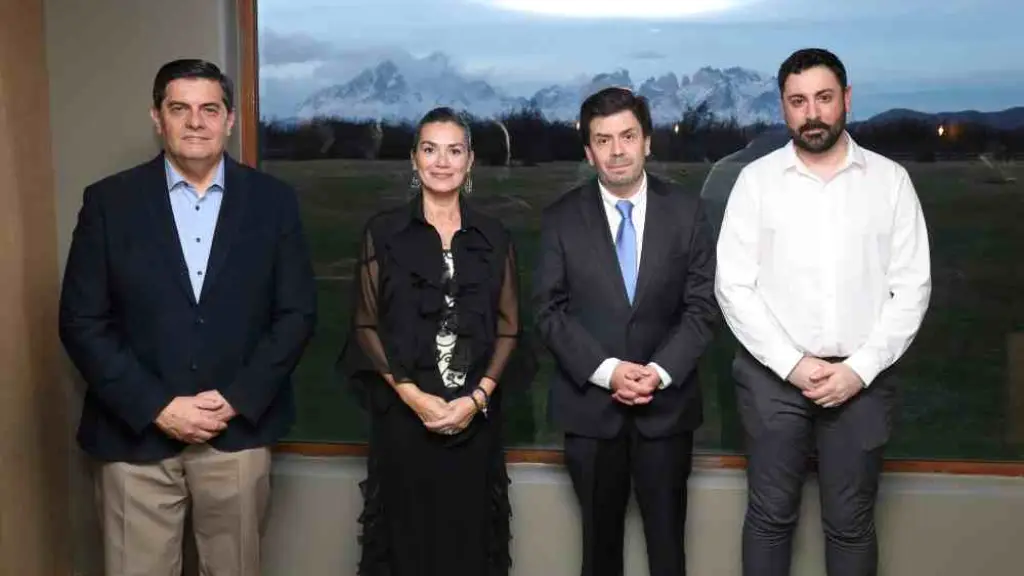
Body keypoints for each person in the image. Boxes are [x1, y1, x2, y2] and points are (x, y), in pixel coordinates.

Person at [59, 59, 317, 576]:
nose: (195, 122)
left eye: (209, 109)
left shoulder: (273, 203)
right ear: (158, 117)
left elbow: (296, 313)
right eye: (180, 108)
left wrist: (237, 398)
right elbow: (82, 321)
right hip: (134, 437)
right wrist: (156, 406)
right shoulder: (109, 202)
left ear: (229, 119)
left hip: (236, 434)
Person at [715, 48, 932, 576]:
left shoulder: (890, 181)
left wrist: (858, 370)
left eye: (823, 98)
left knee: (851, 524)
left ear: (847, 100)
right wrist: (792, 364)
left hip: (863, 378)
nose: (812, 114)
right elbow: (733, 287)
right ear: (783, 108)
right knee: (770, 518)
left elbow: (913, 288)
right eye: (798, 102)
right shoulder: (756, 182)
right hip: (772, 379)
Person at [337, 106, 534, 576]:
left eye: (454, 150)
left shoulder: (494, 235)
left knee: (470, 548)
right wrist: (414, 397)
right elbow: (365, 326)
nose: (442, 161)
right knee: (405, 547)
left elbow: (510, 327)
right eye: (430, 149)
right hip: (404, 422)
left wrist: (476, 399)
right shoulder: (383, 233)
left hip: (475, 424)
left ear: (470, 161)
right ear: (414, 159)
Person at [533, 87, 718, 576]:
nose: (617, 150)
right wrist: (608, 371)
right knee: (599, 554)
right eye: (603, 139)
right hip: (590, 415)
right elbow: (549, 312)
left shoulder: (688, 212)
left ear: (647, 142)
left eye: (628, 136)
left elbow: (702, 308)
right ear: (588, 151)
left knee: (668, 554)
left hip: (667, 412)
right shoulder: (560, 218)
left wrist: (659, 372)